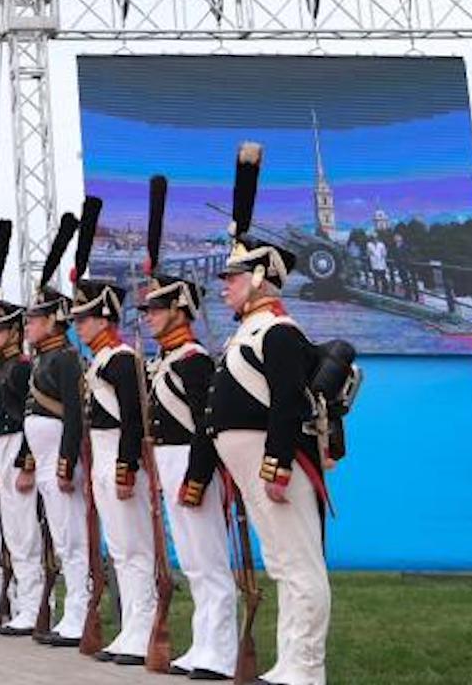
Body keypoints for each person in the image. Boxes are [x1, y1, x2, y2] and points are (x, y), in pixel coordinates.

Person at [209, 231, 331, 685]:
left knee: (300, 566)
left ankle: (307, 667)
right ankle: (290, 662)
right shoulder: (251, 330)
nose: (224, 286)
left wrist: (277, 463)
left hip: (279, 465)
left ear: (260, 278)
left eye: (233, 278)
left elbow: (286, 403)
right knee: (282, 564)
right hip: (256, 466)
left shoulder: (279, 331)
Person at [140, 272, 237, 681]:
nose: (149, 317)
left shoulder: (194, 360)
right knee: (193, 564)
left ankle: (223, 652)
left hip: (192, 464)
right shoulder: (165, 360)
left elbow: (206, 425)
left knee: (211, 562)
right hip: (169, 461)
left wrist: (196, 477)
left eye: (157, 309)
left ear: (180, 311)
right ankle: (203, 644)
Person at [70, 274, 154, 667]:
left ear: (104, 317)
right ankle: (132, 627)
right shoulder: (100, 361)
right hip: (102, 457)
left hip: (120, 457)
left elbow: (133, 420)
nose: (78, 326)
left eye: (84, 318)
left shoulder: (122, 360)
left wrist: (125, 468)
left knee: (135, 549)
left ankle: (145, 626)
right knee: (120, 550)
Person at [23, 270, 89, 648]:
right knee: (62, 542)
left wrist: (65, 464)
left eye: (34, 319)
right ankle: (72, 610)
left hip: (59, 465)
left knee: (73, 540)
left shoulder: (64, 359)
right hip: (45, 463)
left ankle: (80, 612)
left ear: (53, 321)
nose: (28, 326)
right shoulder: (43, 360)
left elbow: (74, 416)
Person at [0, 300, 44, 637]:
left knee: (25, 529)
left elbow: (28, 417)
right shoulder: (0, 367)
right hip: (2, 446)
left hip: (19, 444)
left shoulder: (21, 367)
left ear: (14, 333)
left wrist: (25, 462)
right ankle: (22, 599)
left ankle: (34, 604)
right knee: (12, 531)